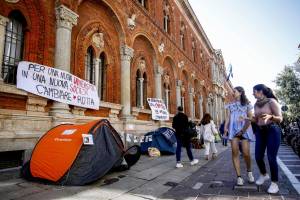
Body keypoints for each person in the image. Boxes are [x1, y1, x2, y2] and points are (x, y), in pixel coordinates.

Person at [251, 84, 283, 194]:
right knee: (258, 156)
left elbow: (280, 118)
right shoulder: (255, 104)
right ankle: (264, 175)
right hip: (260, 131)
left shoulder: (271, 102)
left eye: (254, 91)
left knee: (271, 157)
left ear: (260, 91)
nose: (253, 93)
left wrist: (271, 117)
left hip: (272, 130)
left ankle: (275, 183)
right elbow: (256, 119)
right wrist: (248, 118)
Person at [224, 86, 255, 186]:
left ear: (240, 92)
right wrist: (225, 127)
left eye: (235, 91)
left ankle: (249, 171)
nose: (233, 93)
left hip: (244, 130)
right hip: (233, 131)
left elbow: (251, 118)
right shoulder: (231, 105)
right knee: (234, 152)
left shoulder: (247, 104)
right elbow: (228, 117)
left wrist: (244, 119)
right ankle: (239, 177)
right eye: (233, 91)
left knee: (246, 153)